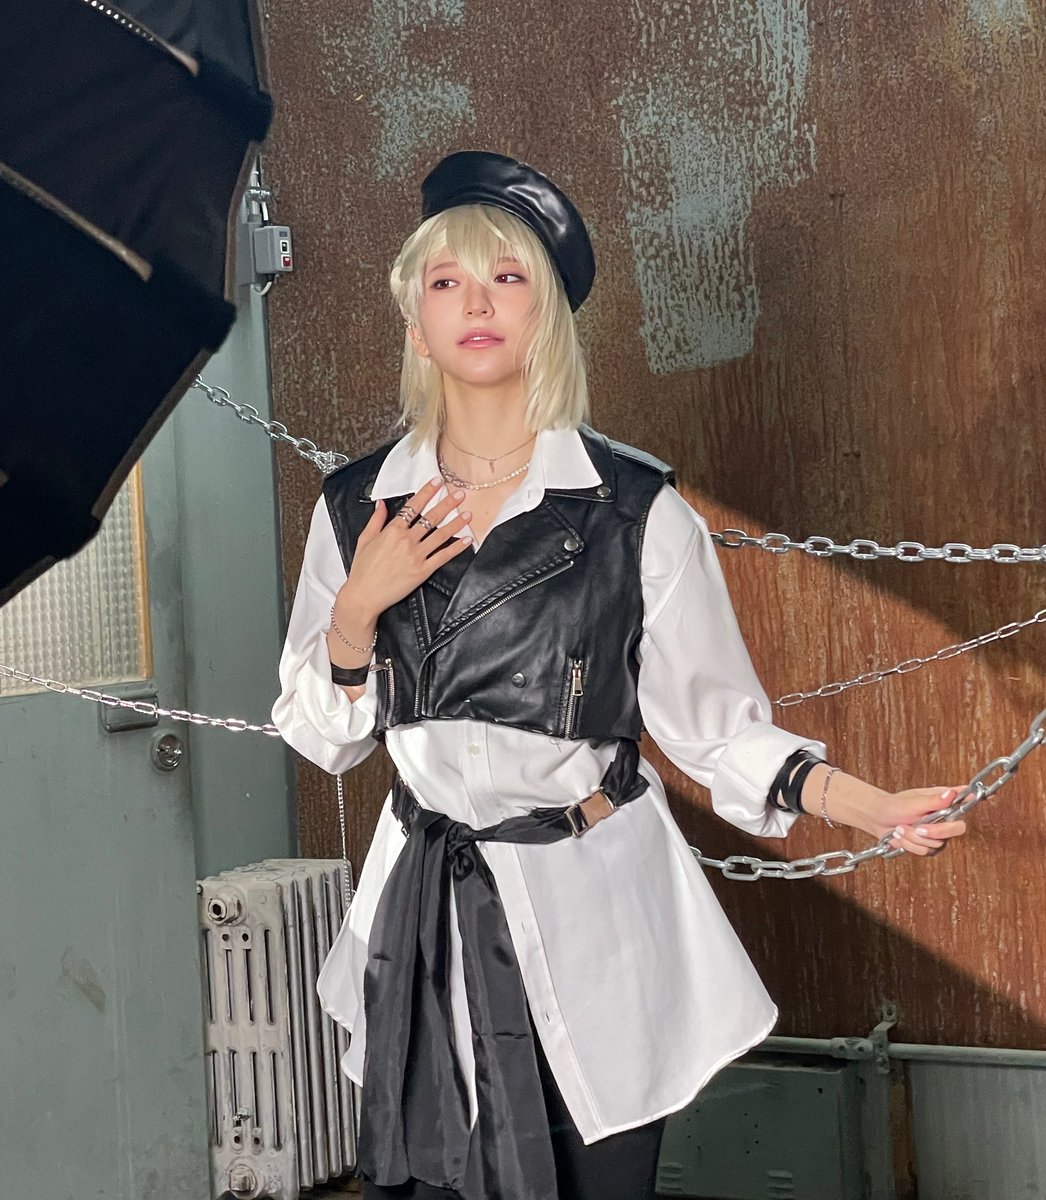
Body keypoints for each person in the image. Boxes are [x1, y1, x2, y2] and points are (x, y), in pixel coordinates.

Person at [271, 151, 968, 1200]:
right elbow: (318, 736)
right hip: (422, 919)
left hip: (592, 907)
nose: (476, 303)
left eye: (507, 277)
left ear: (546, 318)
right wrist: (353, 615)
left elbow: (715, 728)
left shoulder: (636, 511)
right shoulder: (356, 509)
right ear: (415, 322)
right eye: (447, 281)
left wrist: (862, 805)